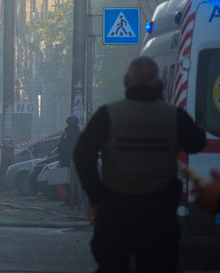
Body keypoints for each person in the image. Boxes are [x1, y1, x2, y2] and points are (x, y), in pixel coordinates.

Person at [74, 56, 206, 273]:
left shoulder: (108, 114)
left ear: (126, 81)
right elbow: (197, 143)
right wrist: (165, 106)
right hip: (159, 214)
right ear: (158, 84)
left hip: (116, 211)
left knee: (112, 266)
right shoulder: (173, 116)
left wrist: (97, 197)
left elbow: (82, 154)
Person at [57, 115, 81, 207]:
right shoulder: (78, 132)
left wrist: (64, 157)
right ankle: (74, 200)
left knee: (68, 181)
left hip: (67, 160)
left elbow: (65, 147)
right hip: (75, 160)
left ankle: (70, 201)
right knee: (75, 182)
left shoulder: (68, 133)